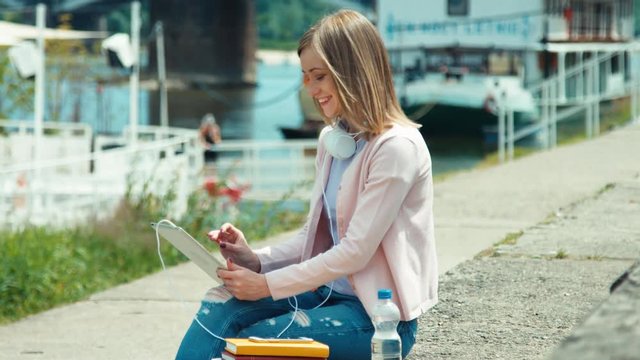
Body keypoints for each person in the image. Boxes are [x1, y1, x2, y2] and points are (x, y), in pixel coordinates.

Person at [176, 9, 437, 360]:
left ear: (352, 72)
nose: (310, 90)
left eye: (319, 77)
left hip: (377, 319)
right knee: (218, 307)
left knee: (255, 343)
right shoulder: (335, 140)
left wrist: (266, 286)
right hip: (325, 294)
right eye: (305, 77)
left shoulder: (396, 148)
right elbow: (313, 238)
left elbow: (355, 251)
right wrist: (255, 261)